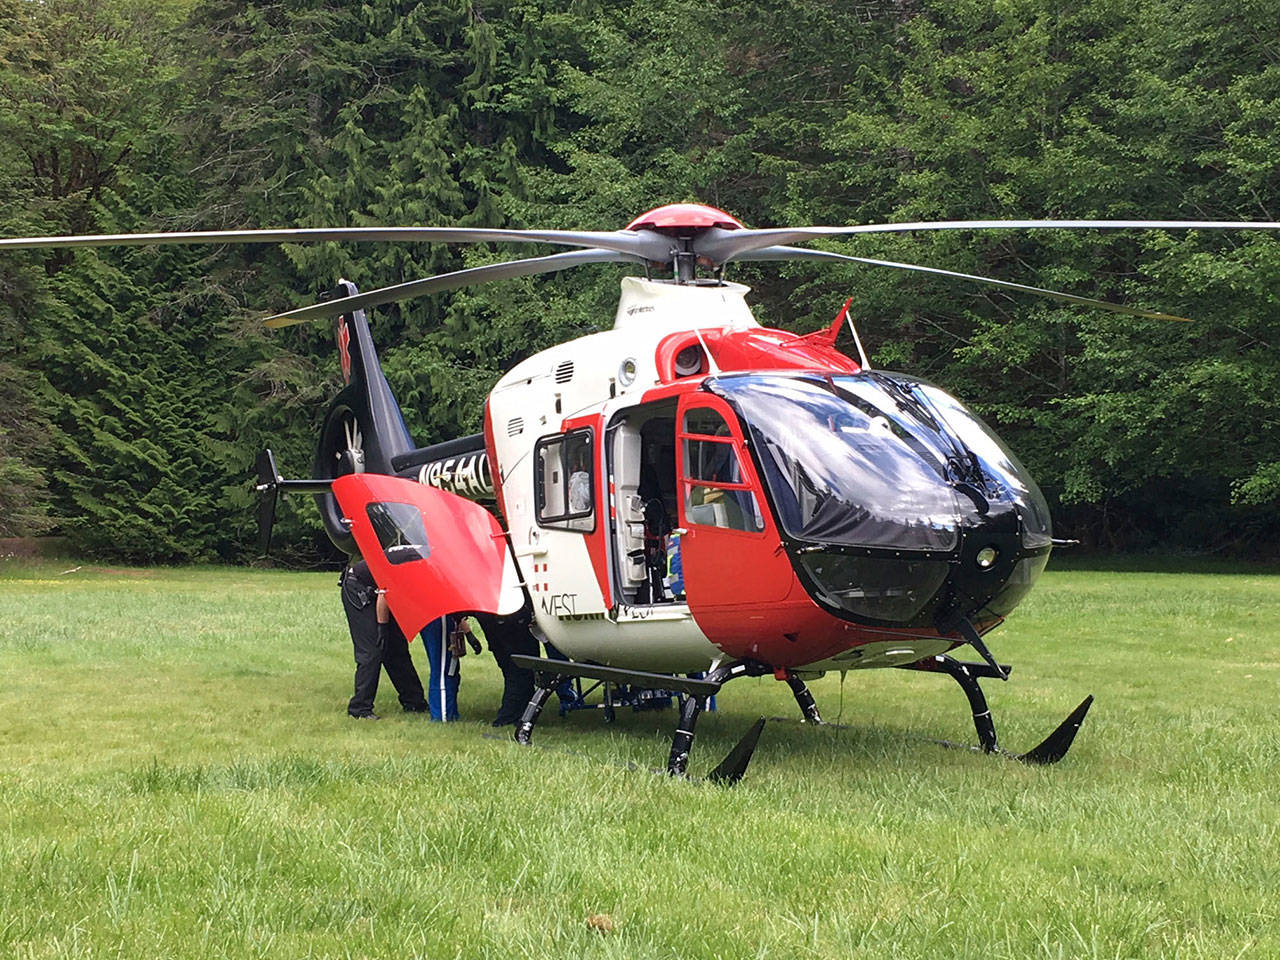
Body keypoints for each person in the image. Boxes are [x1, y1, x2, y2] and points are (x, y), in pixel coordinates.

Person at [339, 559, 427, 719]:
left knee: (396, 647)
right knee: (372, 650)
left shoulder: (424, 561)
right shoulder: (416, 564)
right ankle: (359, 709)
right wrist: (382, 627)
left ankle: (414, 702)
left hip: (380, 589)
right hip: (359, 587)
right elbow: (384, 592)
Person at [472, 608, 539, 726]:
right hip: (510, 618)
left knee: (512, 670)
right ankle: (509, 715)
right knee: (519, 669)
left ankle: (522, 711)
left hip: (490, 615)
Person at [421, 614, 480, 721]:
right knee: (442, 669)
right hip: (439, 617)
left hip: (441, 617)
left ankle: (450, 712)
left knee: (449, 669)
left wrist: (468, 633)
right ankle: (442, 715)